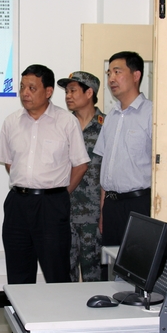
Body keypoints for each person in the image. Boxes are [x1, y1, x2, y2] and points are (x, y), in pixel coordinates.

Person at [0, 64, 90, 333]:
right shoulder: (11, 122)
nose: (25, 93)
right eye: (22, 87)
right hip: (18, 203)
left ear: (48, 92)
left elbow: (80, 164)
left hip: (51, 204)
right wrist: (29, 185)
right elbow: (9, 162)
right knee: (18, 274)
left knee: (56, 273)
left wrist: (58, 193)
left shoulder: (66, 122)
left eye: (32, 88)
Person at [94, 51, 153, 250]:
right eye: (109, 73)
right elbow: (106, 167)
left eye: (117, 72)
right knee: (111, 263)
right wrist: (103, 211)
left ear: (136, 75)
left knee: (137, 262)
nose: (111, 78)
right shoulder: (111, 116)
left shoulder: (151, 113)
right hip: (111, 206)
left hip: (139, 205)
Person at [57, 71, 104, 282]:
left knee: (94, 273)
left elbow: (110, 173)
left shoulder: (106, 126)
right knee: (64, 272)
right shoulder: (62, 125)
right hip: (64, 211)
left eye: (73, 91)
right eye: (66, 91)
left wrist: (104, 212)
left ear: (89, 93)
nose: (68, 96)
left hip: (93, 215)